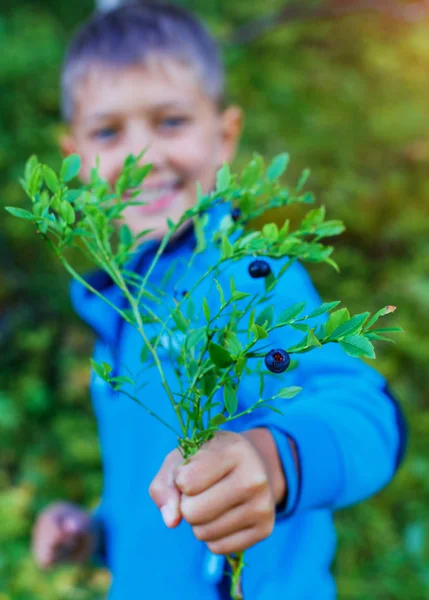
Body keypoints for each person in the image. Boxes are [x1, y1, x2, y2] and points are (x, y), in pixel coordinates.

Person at [31, 3, 407, 599]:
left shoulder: (246, 273)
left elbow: (371, 416)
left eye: (171, 122)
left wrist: (273, 461)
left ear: (225, 135)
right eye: (109, 133)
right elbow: (154, 496)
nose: (143, 157)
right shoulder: (123, 311)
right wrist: (94, 531)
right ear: (74, 159)